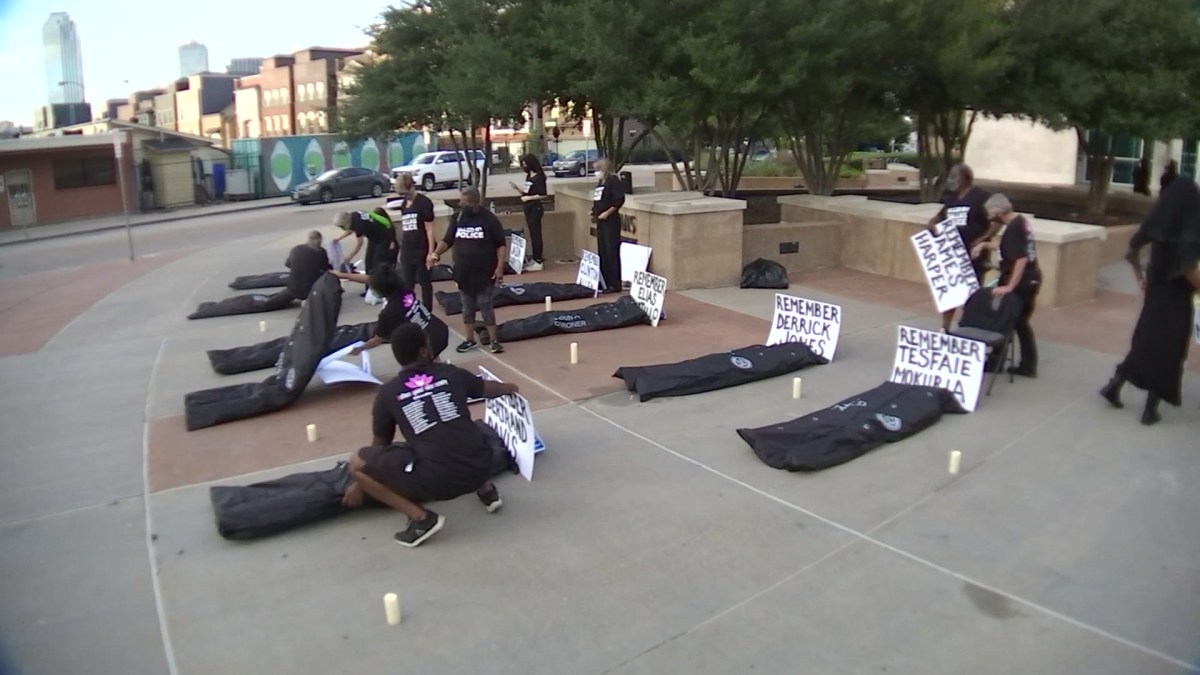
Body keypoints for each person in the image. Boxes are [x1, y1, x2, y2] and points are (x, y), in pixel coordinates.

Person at [342, 323, 520, 547]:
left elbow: (380, 445)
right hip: (483, 464)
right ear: (424, 351)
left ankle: (421, 520)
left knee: (357, 461)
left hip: (438, 483)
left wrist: (361, 482)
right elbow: (489, 389)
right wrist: (511, 387)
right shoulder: (451, 373)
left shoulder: (388, 393)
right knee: (457, 430)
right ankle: (487, 491)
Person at [1100, 177, 1200, 425]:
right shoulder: (1190, 228)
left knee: (1145, 341)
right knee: (1169, 350)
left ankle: (1115, 385)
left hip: (1155, 291)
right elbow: (1188, 269)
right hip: (1177, 296)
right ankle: (1150, 410)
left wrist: (1140, 278)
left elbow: (1131, 252)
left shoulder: (1157, 222)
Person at [427, 187, 508, 354]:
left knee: (486, 306)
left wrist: (500, 267)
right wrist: (435, 253)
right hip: (463, 272)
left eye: (464, 202)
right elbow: (447, 240)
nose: (460, 205)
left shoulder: (488, 219)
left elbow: (501, 244)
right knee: (467, 307)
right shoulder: (457, 218)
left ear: (474, 203)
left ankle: (494, 340)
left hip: (485, 272)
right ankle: (469, 339)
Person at [972, 194, 1042, 377]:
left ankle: (999, 362)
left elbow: (1021, 259)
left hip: (1022, 282)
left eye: (990, 213)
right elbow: (1006, 247)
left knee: (1004, 319)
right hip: (1031, 279)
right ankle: (1026, 365)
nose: (989, 217)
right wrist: (984, 245)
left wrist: (1010, 286)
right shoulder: (1019, 222)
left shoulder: (1014, 228)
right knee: (1018, 323)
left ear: (999, 211)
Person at [332, 264, 450, 359]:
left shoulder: (390, 313)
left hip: (428, 344)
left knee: (420, 370)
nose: (371, 289)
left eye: (372, 288)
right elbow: (370, 279)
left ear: (381, 291)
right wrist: (343, 275)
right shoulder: (403, 287)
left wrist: (360, 349)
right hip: (438, 329)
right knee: (434, 360)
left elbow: (378, 339)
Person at [927, 164, 994, 331]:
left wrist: (983, 238)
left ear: (964, 178)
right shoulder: (952, 199)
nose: (951, 180)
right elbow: (940, 216)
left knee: (972, 294)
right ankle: (945, 328)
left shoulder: (981, 196)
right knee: (950, 293)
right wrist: (932, 223)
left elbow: (997, 220)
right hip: (952, 254)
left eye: (954, 176)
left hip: (973, 255)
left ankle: (970, 326)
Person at [389, 174, 437, 310]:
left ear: (412, 187)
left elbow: (429, 229)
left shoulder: (424, 203)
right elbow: (405, 228)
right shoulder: (404, 204)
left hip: (421, 249)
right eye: (401, 194)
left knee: (424, 282)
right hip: (407, 250)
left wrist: (430, 253)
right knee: (407, 284)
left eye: (405, 193)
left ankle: (427, 311)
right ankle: (409, 309)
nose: (404, 196)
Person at [334, 208, 399, 279]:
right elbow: (351, 229)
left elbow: (359, 244)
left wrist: (349, 257)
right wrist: (339, 238)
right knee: (368, 262)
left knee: (377, 262)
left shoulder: (359, 225)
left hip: (383, 237)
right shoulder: (354, 215)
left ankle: (380, 280)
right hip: (373, 237)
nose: (342, 229)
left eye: (342, 227)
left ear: (346, 223)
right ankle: (369, 282)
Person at [592, 158, 625, 293]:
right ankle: (604, 280)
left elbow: (619, 200)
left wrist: (607, 213)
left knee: (611, 251)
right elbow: (599, 200)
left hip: (611, 221)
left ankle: (614, 283)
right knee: (603, 251)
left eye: (597, 169)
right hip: (600, 220)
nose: (596, 172)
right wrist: (593, 210)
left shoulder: (613, 181)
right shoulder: (601, 183)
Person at [511, 154, 548, 272]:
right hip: (528, 208)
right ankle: (535, 258)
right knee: (532, 234)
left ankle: (538, 260)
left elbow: (543, 194)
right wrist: (517, 189)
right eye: (522, 164)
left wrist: (529, 198)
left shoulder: (539, 177)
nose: (524, 166)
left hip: (535, 208)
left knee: (536, 234)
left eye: (525, 164)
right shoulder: (529, 176)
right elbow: (527, 192)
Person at [284, 230, 332, 301]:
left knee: (275, 300)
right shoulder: (321, 252)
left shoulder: (296, 249)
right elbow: (325, 268)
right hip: (311, 290)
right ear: (320, 240)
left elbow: (287, 264)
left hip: (292, 288)